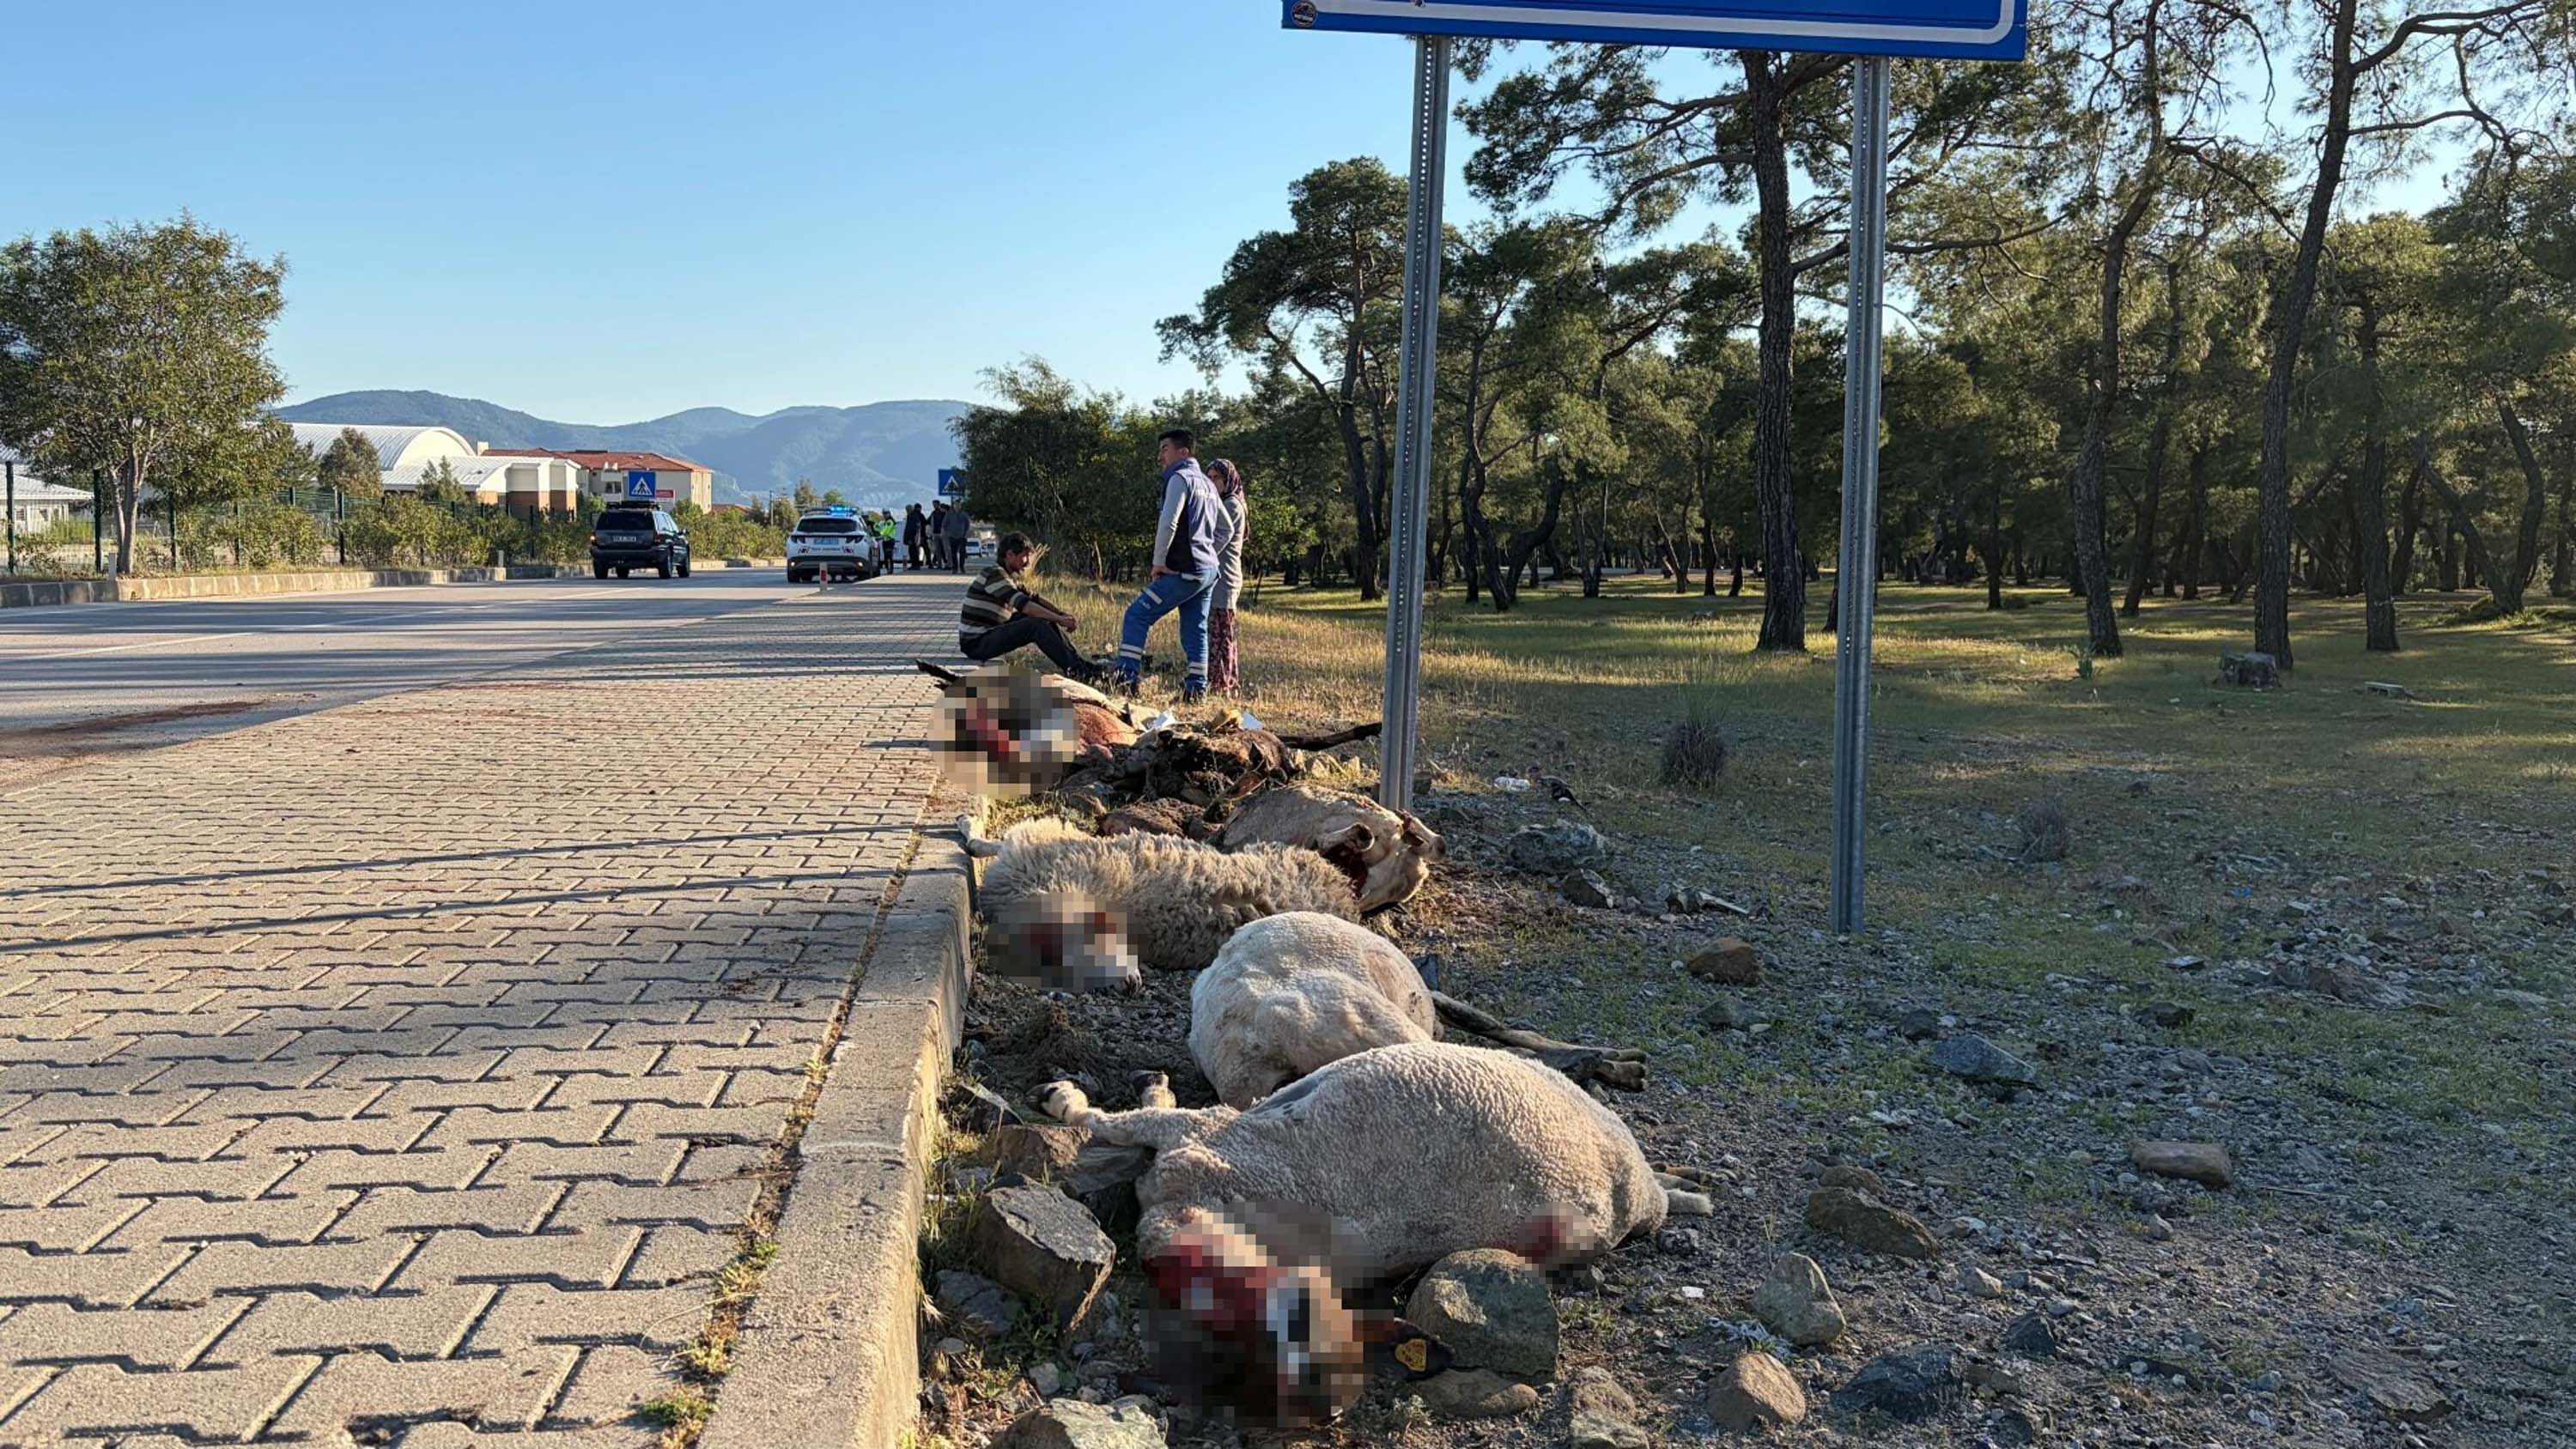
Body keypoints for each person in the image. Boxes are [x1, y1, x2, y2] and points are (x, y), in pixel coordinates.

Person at [1115, 427, 1233, 702]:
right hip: (1206, 572)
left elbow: (1168, 523)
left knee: (1136, 615)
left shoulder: (1180, 479)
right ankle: (1196, 690)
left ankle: (1126, 680)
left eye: (1164, 449)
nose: (1160, 457)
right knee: (1196, 629)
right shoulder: (1207, 483)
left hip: (1185, 571)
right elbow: (1226, 529)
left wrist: (1159, 562)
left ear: (1184, 452)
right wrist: (1208, 554)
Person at [960, 532, 1101, 680]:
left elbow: (1035, 599)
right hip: (976, 643)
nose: (1028, 563)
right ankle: (1077, 672)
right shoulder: (994, 575)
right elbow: (1026, 606)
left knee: (1044, 616)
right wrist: (1059, 620)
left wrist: (1060, 614)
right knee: (1036, 625)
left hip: (986, 636)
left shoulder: (1007, 577)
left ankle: (1080, 664)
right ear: (1009, 555)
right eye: (1024, 556)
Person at [1204, 458, 1249, 694]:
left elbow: (1216, 538)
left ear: (1228, 479)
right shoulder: (1224, 502)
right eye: (1208, 478)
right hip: (1220, 576)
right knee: (1216, 631)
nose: (1212, 483)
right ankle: (1218, 679)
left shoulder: (1231, 505)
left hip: (1225, 578)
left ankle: (1223, 682)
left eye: (1216, 478)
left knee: (1223, 632)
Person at [941, 499, 972, 573]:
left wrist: (966, 534)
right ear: (953, 506)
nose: (957, 506)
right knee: (953, 553)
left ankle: (962, 566)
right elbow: (944, 524)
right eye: (955, 505)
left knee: (962, 552)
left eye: (958, 505)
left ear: (960, 506)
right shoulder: (949, 514)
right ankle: (955, 568)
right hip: (952, 536)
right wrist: (946, 533)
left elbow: (968, 525)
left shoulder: (964, 514)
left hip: (962, 536)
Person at [903, 503, 927, 570]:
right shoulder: (909, 516)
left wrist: (912, 538)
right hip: (910, 537)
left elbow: (914, 528)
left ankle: (916, 565)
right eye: (907, 510)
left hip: (914, 538)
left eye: (908, 509)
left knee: (914, 552)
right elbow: (908, 528)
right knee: (911, 551)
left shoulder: (914, 516)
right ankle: (914, 564)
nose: (907, 511)